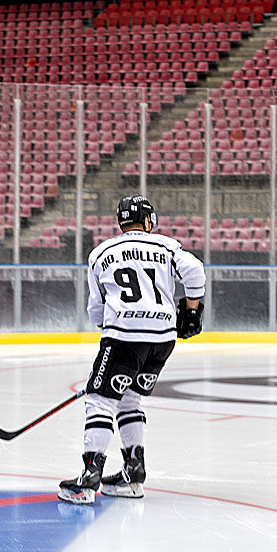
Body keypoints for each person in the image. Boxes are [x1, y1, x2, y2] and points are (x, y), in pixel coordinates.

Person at [58, 194, 206, 505]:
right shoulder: (166, 246)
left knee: (100, 399)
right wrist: (192, 312)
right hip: (163, 337)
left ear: (120, 222)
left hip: (124, 336)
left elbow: (96, 311)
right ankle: (132, 474)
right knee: (130, 399)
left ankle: (88, 479)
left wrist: (112, 330)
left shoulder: (101, 253)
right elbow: (195, 272)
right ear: (149, 220)